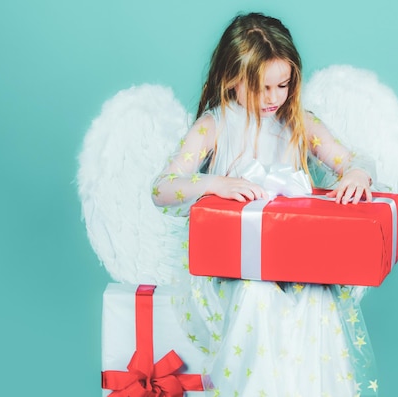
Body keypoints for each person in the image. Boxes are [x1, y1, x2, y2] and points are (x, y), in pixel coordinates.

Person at [152, 12, 380, 396]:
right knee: (258, 299)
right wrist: (216, 183)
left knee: (316, 299)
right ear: (232, 80)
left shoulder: (299, 124)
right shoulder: (216, 125)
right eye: (262, 88)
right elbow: (162, 189)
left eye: (283, 85)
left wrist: (357, 175)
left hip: (295, 265)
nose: (274, 98)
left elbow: (358, 160)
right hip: (232, 271)